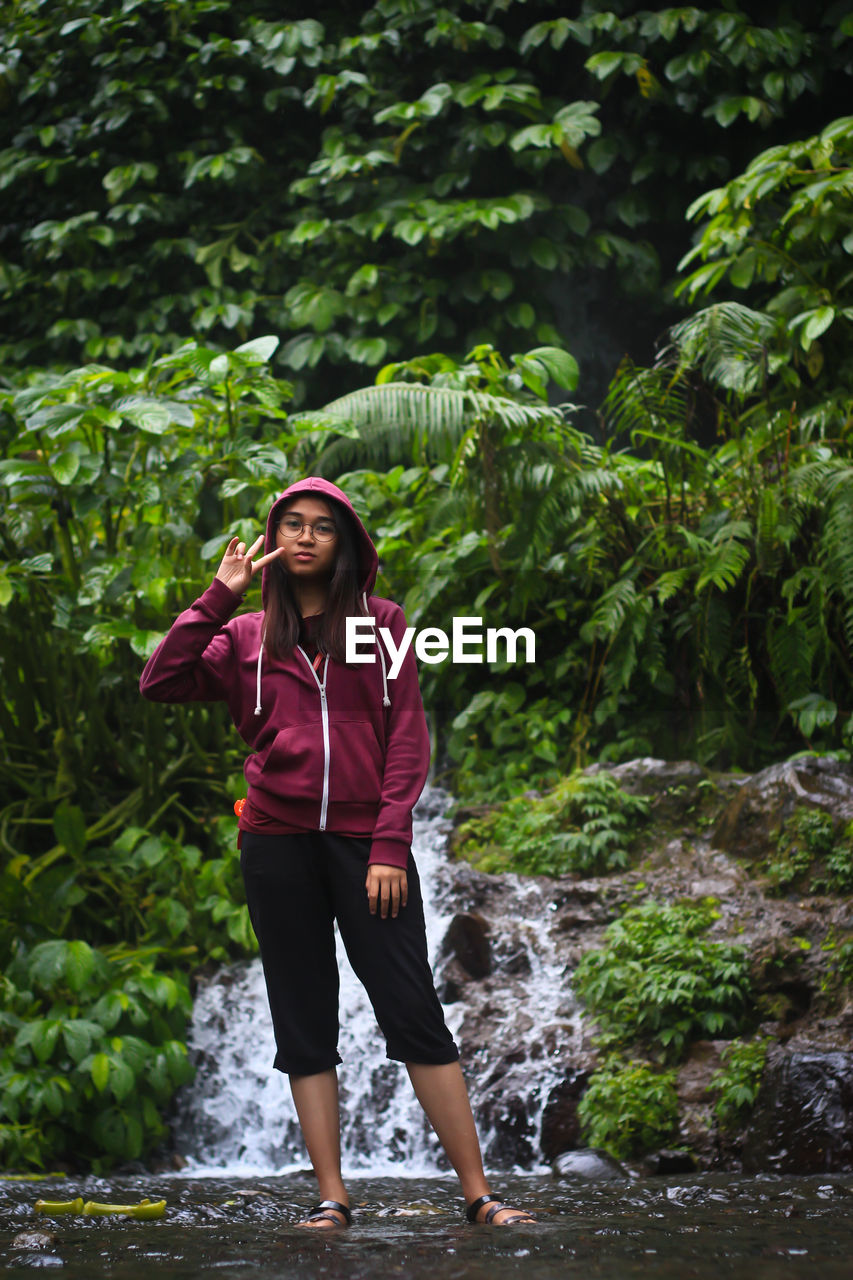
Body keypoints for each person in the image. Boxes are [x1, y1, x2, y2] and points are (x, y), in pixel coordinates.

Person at [139, 476, 537, 1229]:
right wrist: (218, 597)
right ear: (273, 537)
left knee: (412, 1011)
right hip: (275, 845)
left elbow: (406, 739)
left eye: (323, 526)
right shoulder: (245, 637)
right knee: (302, 1016)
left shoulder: (383, 626)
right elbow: (159, 681)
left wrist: (389, 842)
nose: (305, 536)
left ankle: (479, 1195)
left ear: (345, 544)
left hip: (366, 848)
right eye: (291, 523)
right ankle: (332, 1197)